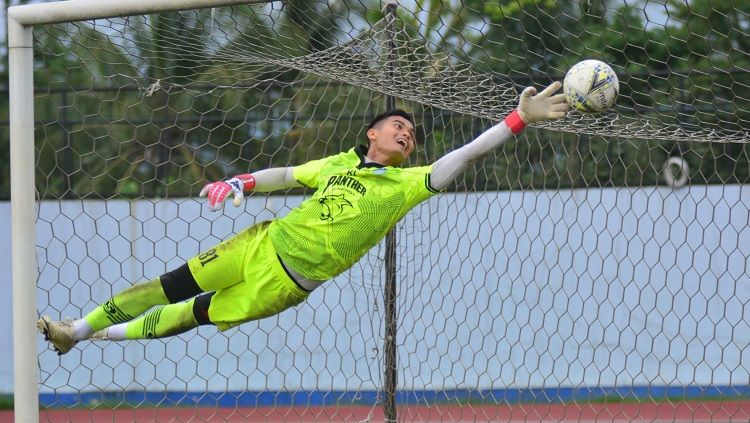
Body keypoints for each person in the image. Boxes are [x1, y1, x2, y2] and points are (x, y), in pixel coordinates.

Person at [38, 81, 570, 355]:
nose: (407, 133)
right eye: (399, 125)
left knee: (193, 314)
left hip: (285, 283)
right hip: (257, 242)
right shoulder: (337, 164)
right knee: (169, 285)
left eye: (412, 132)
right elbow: (285, 174)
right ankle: (77, 330)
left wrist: (519, 118)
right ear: (373, 133)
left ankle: (95, 335)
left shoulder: (410, 184)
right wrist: (238, 181)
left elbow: (469, 153)